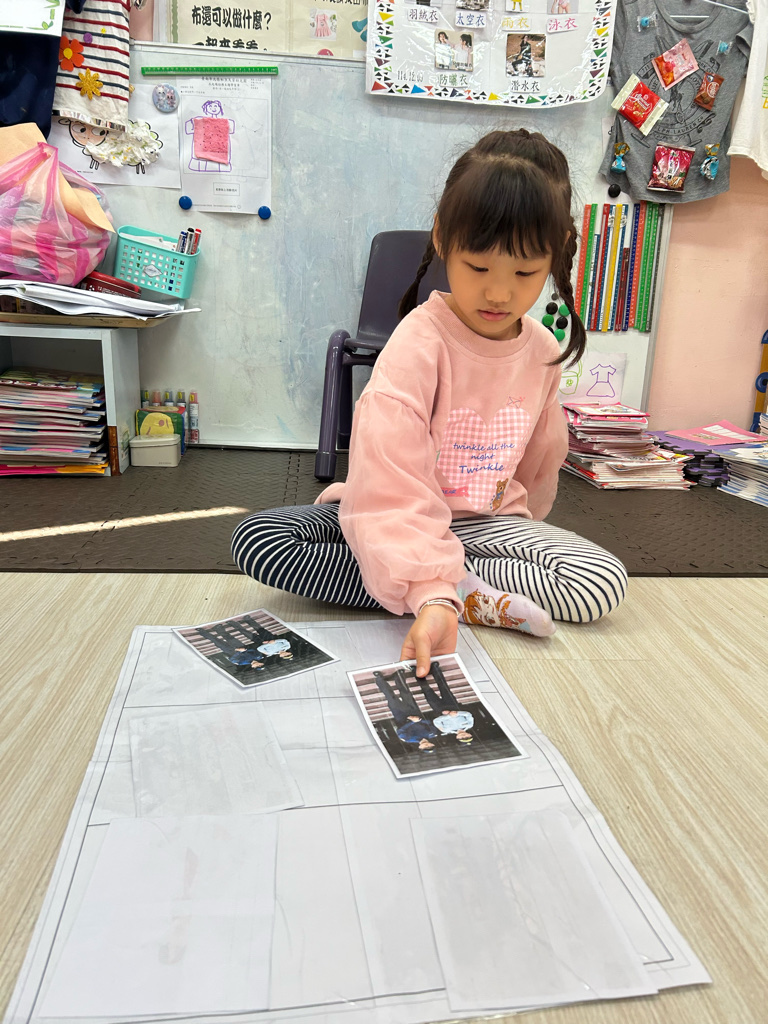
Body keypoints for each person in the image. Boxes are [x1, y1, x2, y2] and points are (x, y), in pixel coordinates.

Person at [232, 130, 628, 677]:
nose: (499, 294)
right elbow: (388, 477)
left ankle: (442, 585)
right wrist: (429, 585)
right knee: (263, 540)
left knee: (599, 582)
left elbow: (540, 463)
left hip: (487, 530)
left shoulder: (540, 350)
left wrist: (522, 535)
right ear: (443, 236)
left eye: (524, 273)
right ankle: (443, 589)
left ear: (559, 252)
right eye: (478, 267)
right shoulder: (419, 343)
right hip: (397, 514)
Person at [372, 670, 439, 752]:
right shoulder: (432, 733)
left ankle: (379, 678)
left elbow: (400, 731)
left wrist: (412, 722)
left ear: (420, 747)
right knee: (406, 693)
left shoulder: (408, 739)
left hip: (400, 715)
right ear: (432, 744)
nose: (427, 745)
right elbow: (430, 723)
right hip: (414, 712)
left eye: (425, 747)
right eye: (430, 746)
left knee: (390, 696)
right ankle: (398, 676)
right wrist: (419, 720)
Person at [413, 661, 474, 743]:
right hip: (453, 705)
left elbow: (436, 721)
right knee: (443, 687)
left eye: (462, 738)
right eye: (467, 736)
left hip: (439, 709)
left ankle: (417, 671)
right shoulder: (469, 724)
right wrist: (456, 713)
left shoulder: (445, 730)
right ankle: (435, 669)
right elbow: (468, 714)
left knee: (426, 690)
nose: (463, 736)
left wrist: (448, 715)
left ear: (457, 737)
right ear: (469, 734)